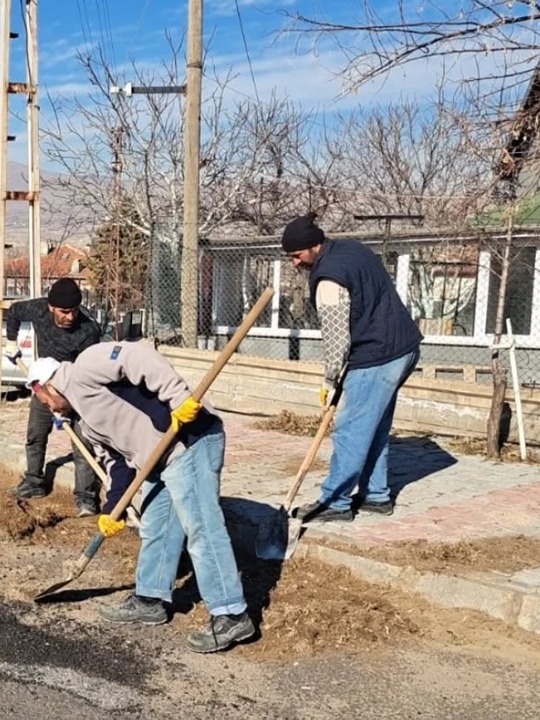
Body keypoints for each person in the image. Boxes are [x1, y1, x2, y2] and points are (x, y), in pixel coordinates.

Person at [25, 342, 255, 654]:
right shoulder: (85, 424)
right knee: (156, 525)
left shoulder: (86, 366)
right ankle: (150, 599)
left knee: (201, 527)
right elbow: (116, 464)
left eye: (44, 400)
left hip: (189, 440)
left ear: (46, 385)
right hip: (159, 459)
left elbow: (138, 357)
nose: (51, 409)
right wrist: (113, 508)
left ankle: (231, 613)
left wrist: (178, 398)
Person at [281, 213, 422, 522]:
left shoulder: (329, 278)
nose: (294, 262)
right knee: (374, 425)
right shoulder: (351, 249)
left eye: (296, 255)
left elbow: (336, 338)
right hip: (404, 347)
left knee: (351, 429)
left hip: (378, 355)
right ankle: (375, 495)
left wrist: (330, 380)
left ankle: (335, 501)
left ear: (314, 246)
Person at [5, 278, 103, 516]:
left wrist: (65, 406)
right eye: (64, 312)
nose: (70, 317)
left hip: (77, 387)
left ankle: (86, 498)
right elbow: (14, 312)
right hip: (44, 379)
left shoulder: (88, 331)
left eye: (74, 311)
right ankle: (34, 482)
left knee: (83, 445)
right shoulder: (38, 309)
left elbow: (86, 376)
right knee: (35, 434)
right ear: (51, 307)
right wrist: (11, 342)